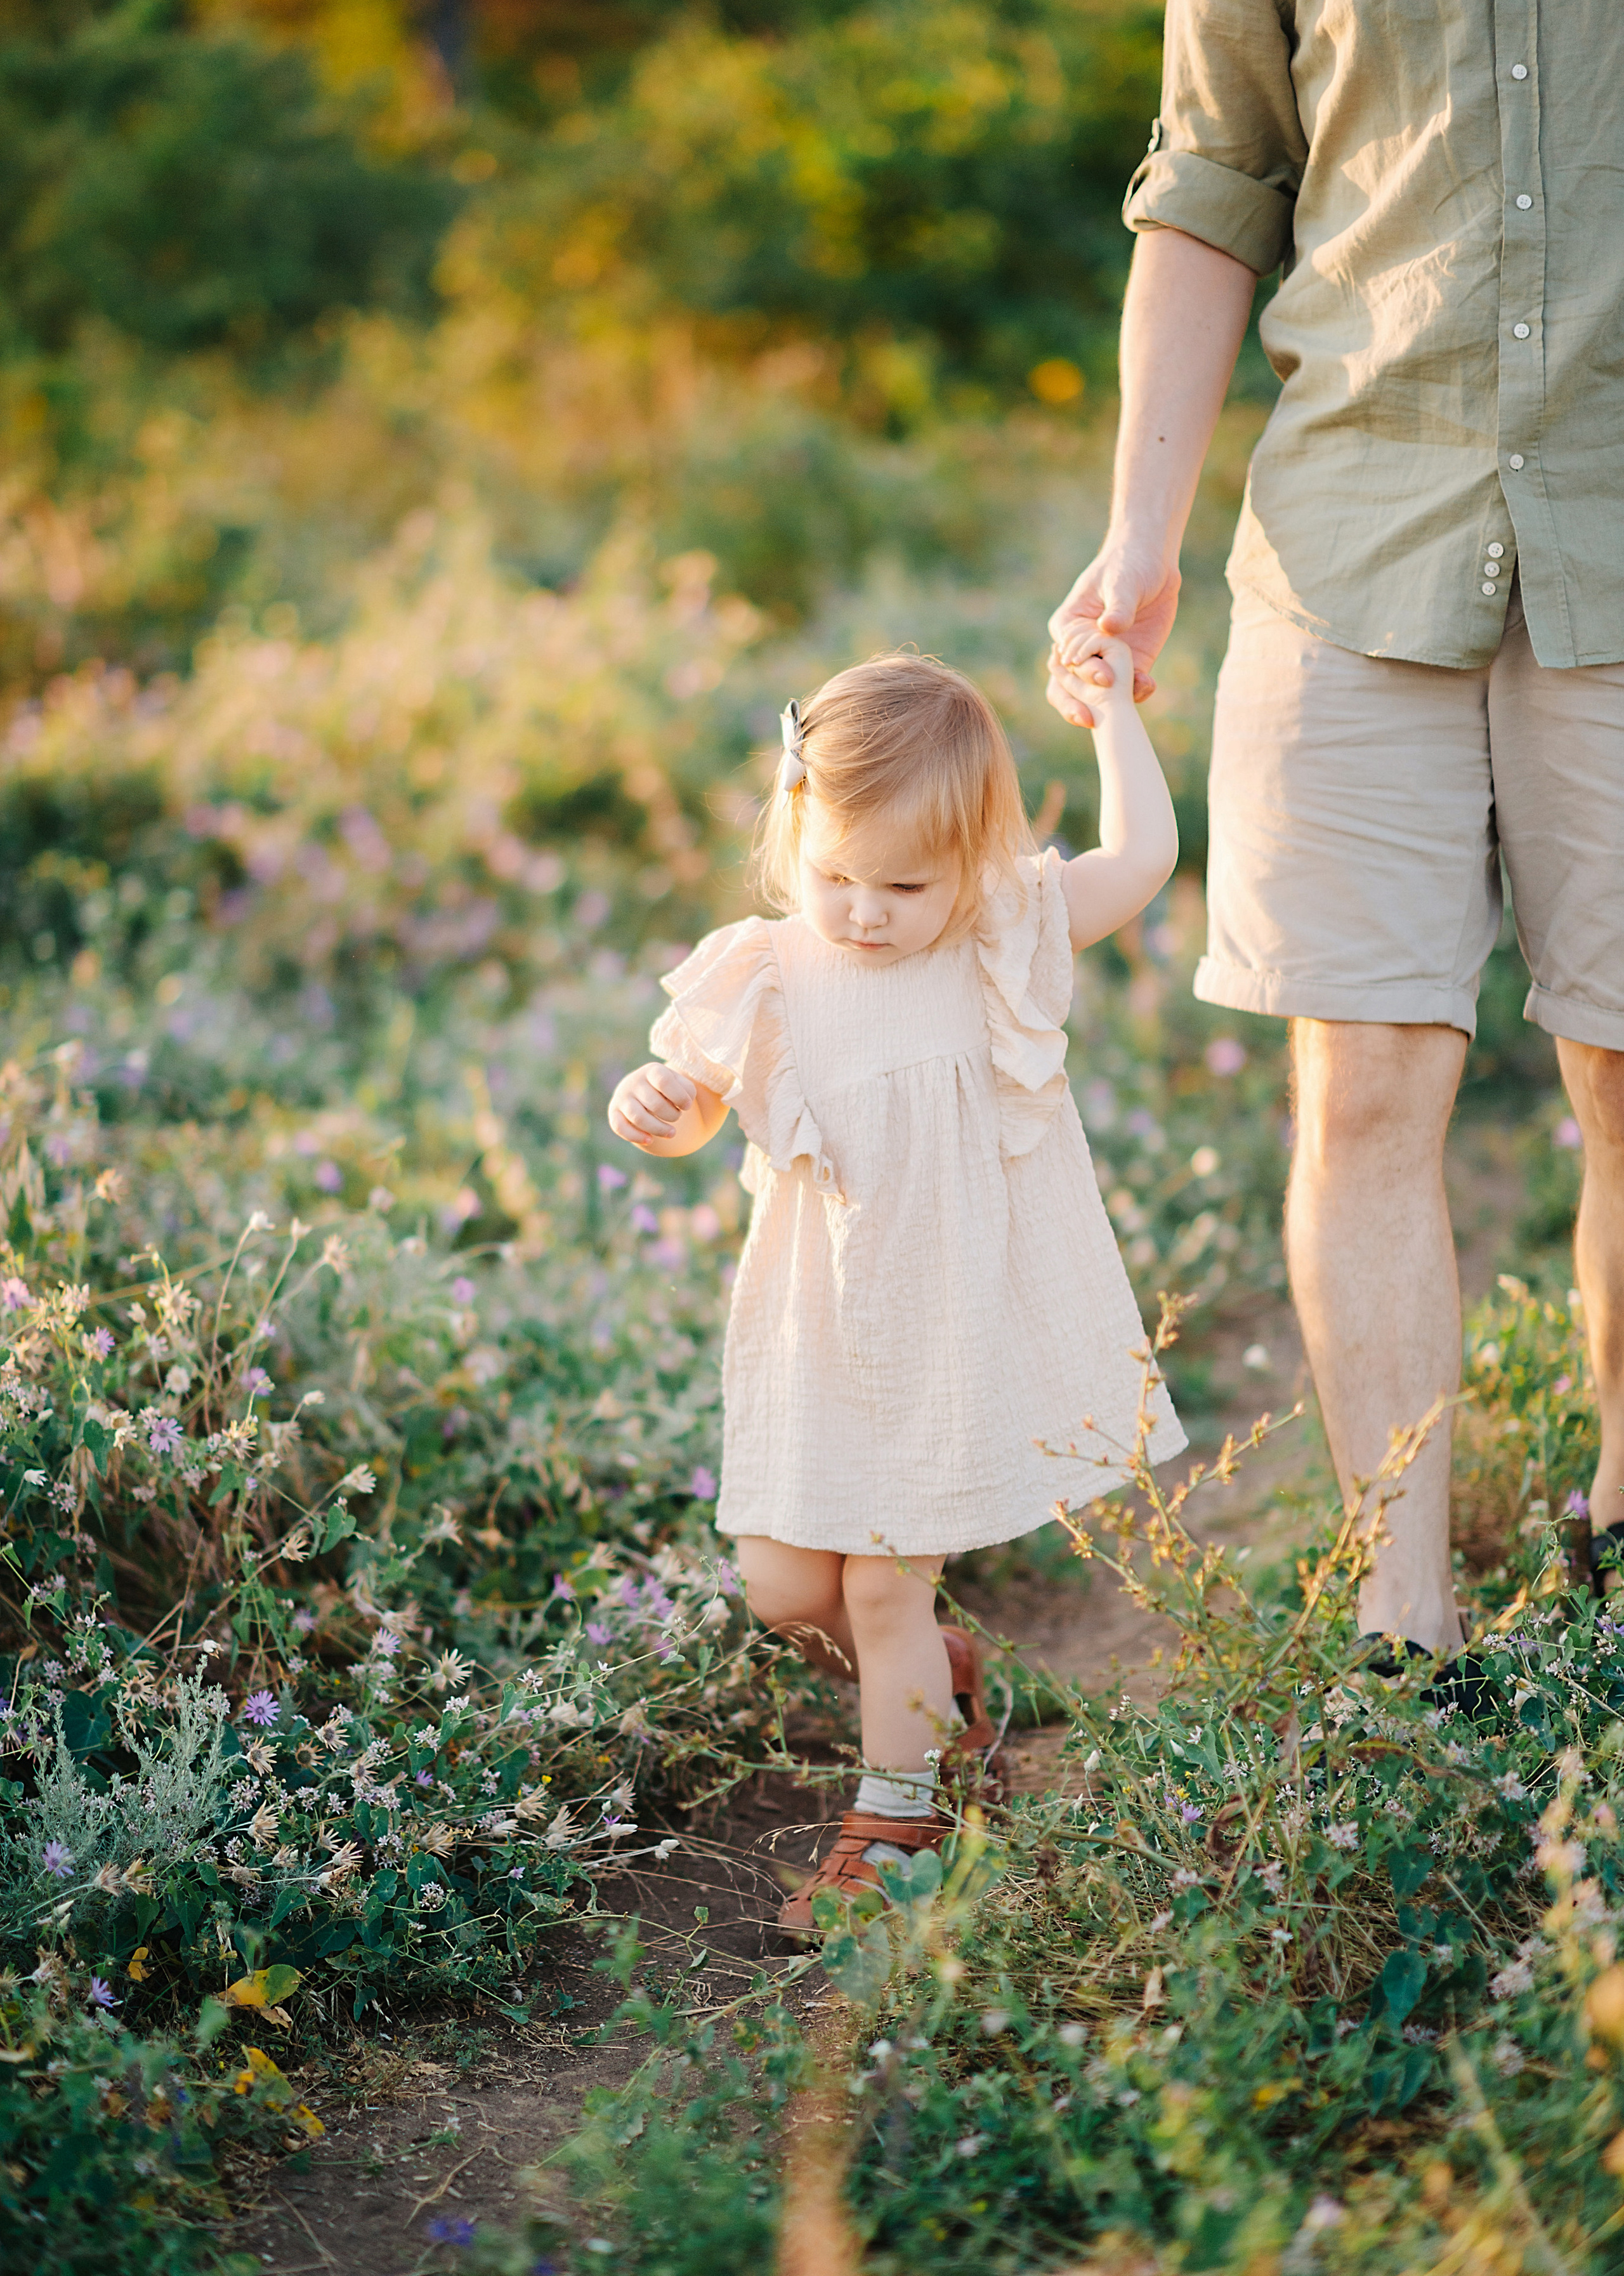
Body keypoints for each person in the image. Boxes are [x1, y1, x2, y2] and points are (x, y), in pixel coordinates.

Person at [1047, 2, 1624, 1650]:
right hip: (1357, 540)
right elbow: (1220, 176)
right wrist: (1138, 536)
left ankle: (1621, 1496)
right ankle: (1402, 1611)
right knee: (1362, 1077)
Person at [608, 644, 1185, 1930]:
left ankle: (894, 1826)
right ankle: (936, 1680)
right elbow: (698, 1103)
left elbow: (1140, 859)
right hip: (814, 1326)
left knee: (879, 1581)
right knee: (784, 1588)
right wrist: (653, 1107)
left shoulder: (995, 932)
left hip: (941, 1320)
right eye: (834, 877)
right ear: (793, 836)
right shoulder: (763, 965)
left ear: (971, 859)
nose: (863, 912)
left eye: (902, 884)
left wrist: (1108, 716)